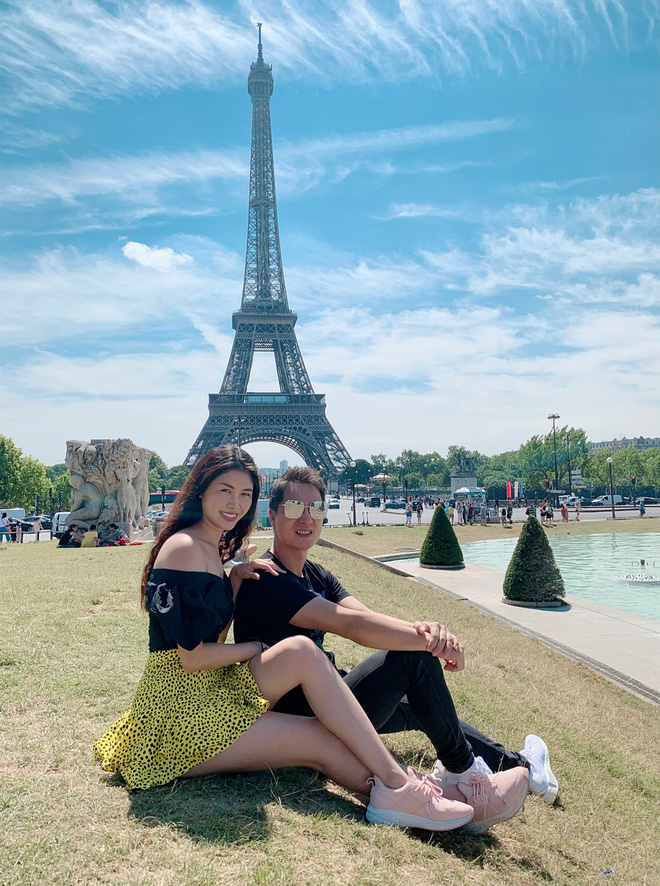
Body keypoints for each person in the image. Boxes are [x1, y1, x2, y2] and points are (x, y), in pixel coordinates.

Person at [94, 445, 499, 834]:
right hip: (178, 712)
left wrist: (232, 581)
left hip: (205, 694)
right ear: (201, 490)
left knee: (319, 670)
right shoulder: (185, 547)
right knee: (319, 731)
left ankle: (440, 788)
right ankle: (404, 791)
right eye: (225, 490)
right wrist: (256, 648)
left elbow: (213, 634)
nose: (235, 503)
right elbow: (192, 658)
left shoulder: (211, 549)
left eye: (245, 494)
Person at [234, 467, 557, 831]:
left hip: (330, 700)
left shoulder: (317, 573)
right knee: (413, 660)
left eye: (317, 508)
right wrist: (431, 645)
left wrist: (431, 633)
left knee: (422, 700)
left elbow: (367, 617)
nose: (307, 517)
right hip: (303, 718)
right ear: (273, 515)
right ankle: (465, 773)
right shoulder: (266, 578)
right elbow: (351, 626)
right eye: (295, 508)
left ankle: (521, 767)